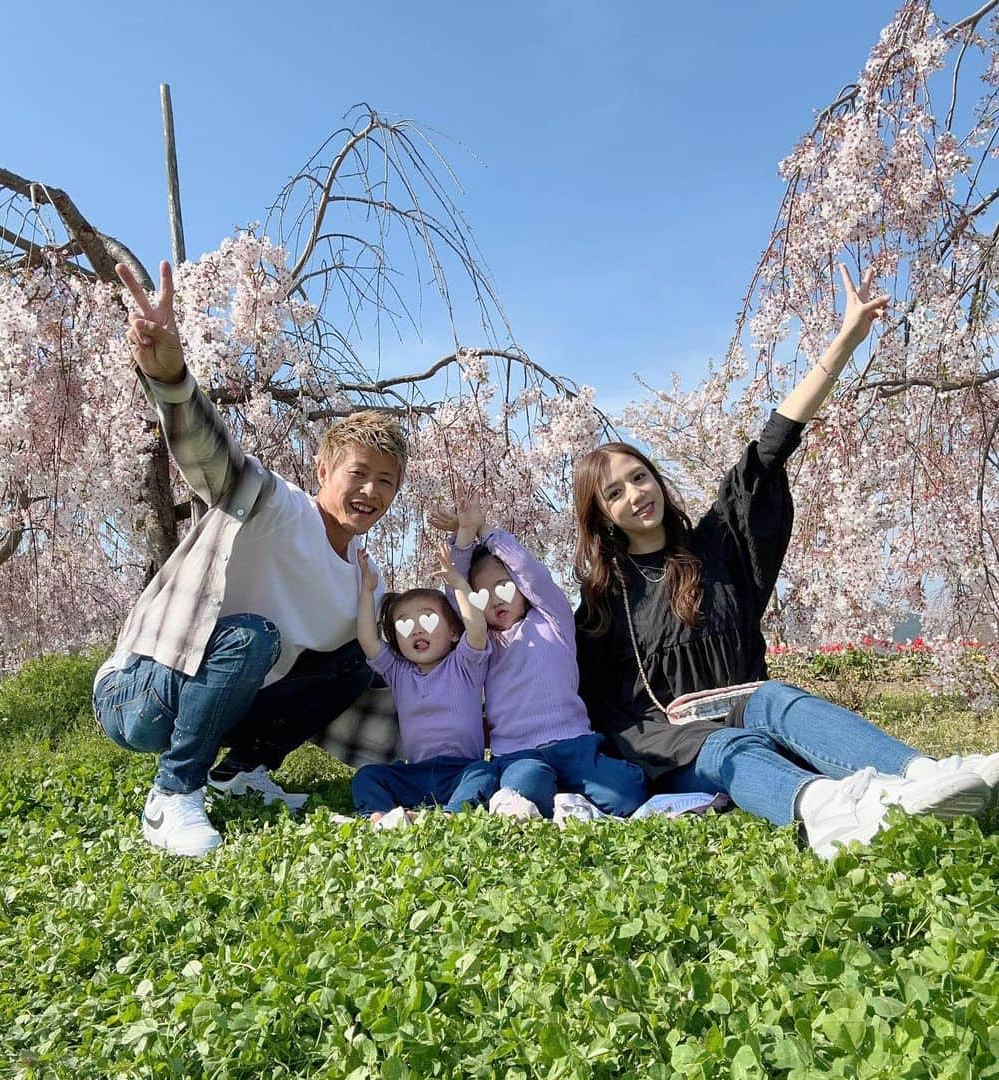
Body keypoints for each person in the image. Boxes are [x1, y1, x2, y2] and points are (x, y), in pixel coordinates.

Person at [572, 265, 998, 858]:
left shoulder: (716, 549)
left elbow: (771, 446)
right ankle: (827, 814)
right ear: (602, 516)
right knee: (727, 750)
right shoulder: (601, 606)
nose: (634, 495)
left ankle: (923, 776)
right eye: (613, 493)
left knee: (772, 697)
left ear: (657, 481)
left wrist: (846, 340)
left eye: (638, 477)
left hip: (753, 716)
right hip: (682, 753)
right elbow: (604, 712)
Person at [92, 261, 407, 856]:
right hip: (140, 692)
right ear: (322, 471)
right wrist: (172, 380)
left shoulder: (367, 575)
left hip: (228, 699)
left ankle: (238, 772)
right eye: (358, 474)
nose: (370, 492)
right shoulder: (277, 505)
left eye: (386, 482)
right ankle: (172, 795)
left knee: (357, 661)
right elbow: (216, 460)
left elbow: (398, 682)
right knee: (251, 637)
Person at [431, 497, 650, 820]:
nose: (494, 600)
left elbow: (529, 570)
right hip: (518, 753)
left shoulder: (551, 619)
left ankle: (565, 796)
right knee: (526, 786)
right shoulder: (482, 641)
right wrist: (464, 538)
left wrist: (485, 530)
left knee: (628, 792)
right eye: (483, 595)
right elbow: (457, 591)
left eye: (504, 587)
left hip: (574, 743)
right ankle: (557, 797)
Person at [350, 545, 498, 825]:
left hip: (461, 770)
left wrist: (457, 582)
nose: (417, 629)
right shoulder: (399, 671)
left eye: (428, 620)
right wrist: (368, 590)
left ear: (454, 632)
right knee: (367, 776)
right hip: (415, 774)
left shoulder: (465, 664)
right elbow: (369, 641)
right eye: (405, 625)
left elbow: (476, 628)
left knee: (485, 773)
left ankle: (451, 815)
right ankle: (378, 818)